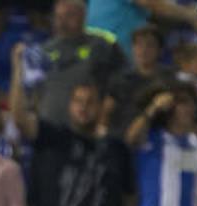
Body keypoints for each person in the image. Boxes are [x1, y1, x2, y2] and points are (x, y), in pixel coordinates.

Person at [10, 45, 132, 206]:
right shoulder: (53, 137)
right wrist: (18, 67)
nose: (84, 108)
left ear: (101, 106)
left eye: (90, 103)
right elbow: (19, 117)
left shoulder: (116, 149)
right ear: (69, 106)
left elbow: (128, 202)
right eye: (78, 102)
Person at [33, 0, 128, 128]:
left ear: (83, 15)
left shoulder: (102, 45)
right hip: (50, 128)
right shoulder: (44, 50)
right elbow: (33, 91)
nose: (62, 22)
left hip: (87, 129)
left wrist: (106, 111)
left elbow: (123, 79)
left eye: (68, 16)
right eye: (58, 16)